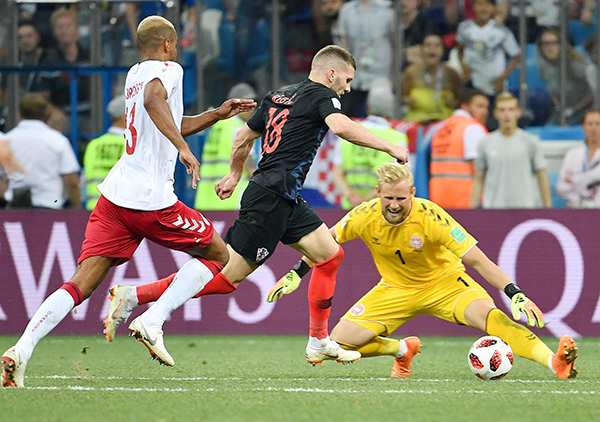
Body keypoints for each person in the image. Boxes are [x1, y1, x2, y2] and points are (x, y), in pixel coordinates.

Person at [105, 44, 409, 367]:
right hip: (271, 199)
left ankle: (319, 341)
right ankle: (143, 305)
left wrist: (235, 174)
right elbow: (341, 126)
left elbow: (242, 136)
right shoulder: (324, 96)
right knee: (227, 276)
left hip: (284, 196)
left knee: (330, 255)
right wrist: (389, 147)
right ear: (331, 73)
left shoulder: (278, 96)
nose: (347, 88)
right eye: (346, 80)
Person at [1, 15, 256, 388]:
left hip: (115, 198)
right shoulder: (170, 69)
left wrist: (216, 115)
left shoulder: (135, 74)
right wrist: (183, 149)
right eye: (176, 44)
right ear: (168, 44)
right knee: (219, 255)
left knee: (81, 282)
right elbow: (156, 103)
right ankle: (153, 320)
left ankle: (21, 349)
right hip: (151, 201)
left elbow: (166, 118)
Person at [269, 162, 578, 380]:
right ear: (377, 192)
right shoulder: (363, 215)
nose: (394, 205)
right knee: (336, 345)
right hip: (394, 289)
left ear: (413, 193)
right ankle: (402, 349)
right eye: (388, 198)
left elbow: (478, 261)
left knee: (493, 319)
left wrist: (515, 293)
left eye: (401, 198)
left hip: (446, 284)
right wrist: (296, 272)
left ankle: (554, 362)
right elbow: (325, 243)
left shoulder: (431, 216)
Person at [332, 81, 409, 209]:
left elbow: (337, 174)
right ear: (391, 108)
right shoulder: (397, 139)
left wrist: (351, 196)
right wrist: (367, 199)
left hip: (350, 210)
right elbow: (398, 179)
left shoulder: (347, 134)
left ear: (367, 107)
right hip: (379, 209)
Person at [470, 92, 552, 209]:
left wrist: (548, 208)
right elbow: (478, 179)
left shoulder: (531, 141)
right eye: (502, 110)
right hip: (493, 210)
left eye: (511, 109)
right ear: (495, 113)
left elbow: (542, 176)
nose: (506, 114)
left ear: (518, 112)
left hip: (525, 209)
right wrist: (472, 209)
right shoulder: (485, 143)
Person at [1, 93, 81, 209]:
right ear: (45, 114)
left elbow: (3, 178)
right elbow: (72, 182)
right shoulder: (58, 141)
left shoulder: (6, 141)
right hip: (49, 207)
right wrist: (77, 209)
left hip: (15, 207)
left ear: (20, 114)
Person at [195, 82, 258, 211]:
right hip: (231, 199)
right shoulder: (239, 128)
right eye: (245, 104)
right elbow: (250, 167)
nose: (251, 109)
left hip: (207, 200)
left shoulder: (218, 126)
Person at [429, 89, 489, 209]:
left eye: (486, 107)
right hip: (466, 199)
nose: (484, 112)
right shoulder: (472, 127)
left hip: (439, 199)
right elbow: (478, 168)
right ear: (465, 106)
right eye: (479, 106)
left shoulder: (442, 128)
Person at [456, 0, 521, 107]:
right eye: (479, 4)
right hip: (473, 83)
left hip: (493, 85)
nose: (483, 8)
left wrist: (502, 78)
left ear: (494, 8)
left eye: (487, 5)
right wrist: (465, 69)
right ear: (473, 7)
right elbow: (459, 49)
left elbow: (516, 55)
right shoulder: (464, 28)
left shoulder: (501, 31)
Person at [338, 0, 395, 117]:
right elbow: (344, 44)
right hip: (355, 76)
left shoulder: (388, 10)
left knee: (382, 115)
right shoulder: (346, 10)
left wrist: (395, 76)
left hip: (381, 74)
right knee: (345, 114)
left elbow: (396, 45)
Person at [536, 28, 593, 126]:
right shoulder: (544, 67)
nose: (550, 47)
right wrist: (559, 106)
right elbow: (551, 90)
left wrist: (574, 109)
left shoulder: (574, 65)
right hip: (564, 112)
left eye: (554, 43)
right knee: (548, 130)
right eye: (545, 44)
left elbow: (595, 89)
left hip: (585, 110)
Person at [403, 34, 462, 123]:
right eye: (428, 45)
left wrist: (452, 103)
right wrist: (409, 101)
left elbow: (460, 101)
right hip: (417, 120)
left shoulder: (452, 74)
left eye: (437, 46)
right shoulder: (411, 72)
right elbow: (402, 97)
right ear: (421, 50)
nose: (432, 49)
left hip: (445, 121)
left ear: (442, 50)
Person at [83, 95, 126, 210]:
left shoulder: (94, 144)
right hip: (119, 210)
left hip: (93, 208)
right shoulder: (130, 145)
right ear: (125, 117)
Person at [556, 109, 600, 208]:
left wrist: (573, 179)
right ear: (583, 127)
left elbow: (596, 176)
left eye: (598, 124)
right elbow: (560, 188)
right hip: (575, 209)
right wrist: (588, 185)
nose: (594, 128)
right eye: (590, 124)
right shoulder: (573, 154)